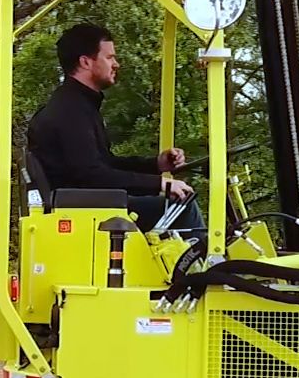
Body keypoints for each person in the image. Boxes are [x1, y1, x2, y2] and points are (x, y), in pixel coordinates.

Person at [27, 22, 200, 234]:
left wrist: (156, 164)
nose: (116, 64)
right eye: (109, 57)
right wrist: (161, 184)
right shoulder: (71, 112)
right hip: (84, 211)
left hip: (86, 204)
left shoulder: (76, 105)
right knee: (184, 207)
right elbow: (92, 175)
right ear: (85, 62)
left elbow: (104, 164)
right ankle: (207, 266)